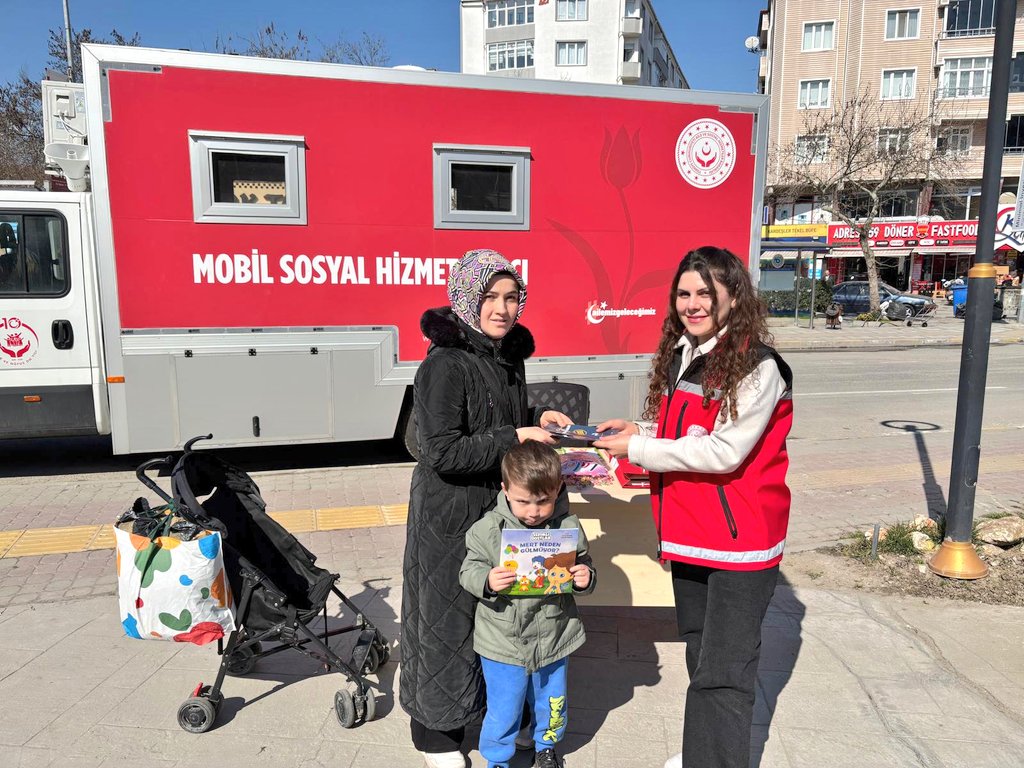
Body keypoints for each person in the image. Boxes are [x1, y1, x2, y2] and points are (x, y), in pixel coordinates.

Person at [594, 246, 794, 768]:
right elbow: (687, 429)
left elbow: (725, 449)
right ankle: (704, 755)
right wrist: (638, 429)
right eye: (684, 293)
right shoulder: (688, 351)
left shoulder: (758, 365)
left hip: (738, 543)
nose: (693, 303)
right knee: (702, 655)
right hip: (692, 534)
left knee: (724, 672)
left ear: (733, 295)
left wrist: (638, 450)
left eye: (705, 292)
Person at [400, 249, 572, 768]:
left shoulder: (505, 356)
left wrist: (539, 416)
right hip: (448, 516)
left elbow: (502, 417)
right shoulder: (444, 363)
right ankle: (436, 738)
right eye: (490, 297)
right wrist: (514, 436)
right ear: (465, 299)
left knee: (499, 616)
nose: (502, 308)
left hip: (496, 512)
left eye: (511, 297)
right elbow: (442, 450)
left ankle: (496, 719)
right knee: (445, 622)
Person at [459, 440, 595, 768]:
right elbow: (468, 570)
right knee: (504, 707)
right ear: (505, 490)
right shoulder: (488, 530)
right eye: (523, 502)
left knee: (552, 702)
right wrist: (487, 581)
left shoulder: (568, 528)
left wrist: (585, 577)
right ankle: (497, 760)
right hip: (504, 642)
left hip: (554, 635)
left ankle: (546, 747)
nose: (533, 512)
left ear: (558, 490)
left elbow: (586, 565)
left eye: (543, 501)